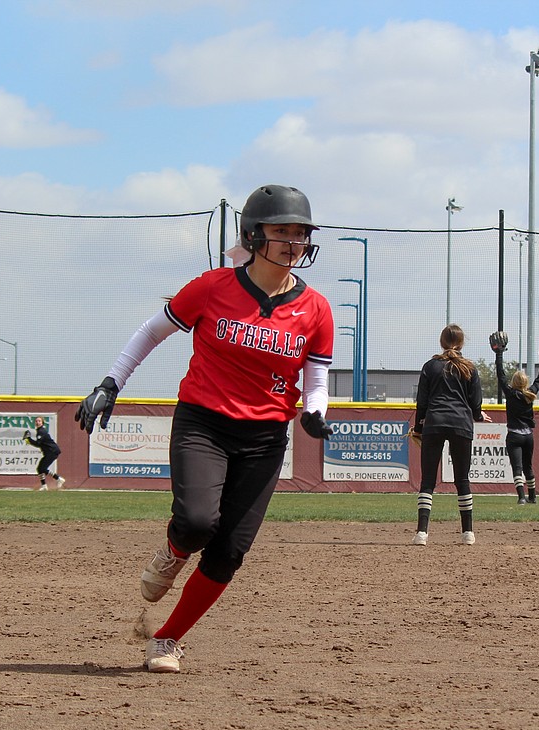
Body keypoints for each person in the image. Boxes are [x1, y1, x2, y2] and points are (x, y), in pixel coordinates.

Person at [75, 184, 335, 673]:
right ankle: (173, 551)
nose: (292, 241)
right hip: (205, 423)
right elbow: (152, 331)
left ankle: (166, 639)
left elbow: (315, 375)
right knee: (197, 524)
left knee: (229, 551)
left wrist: (316, 410)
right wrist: (111, 382)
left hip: (264, 439)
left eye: (300, 233)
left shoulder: (316, 308)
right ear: (254, 235)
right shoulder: (214, 286)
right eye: (281, 231)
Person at [409, 325, 490, 546]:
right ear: (462, 343)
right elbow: (475, 404)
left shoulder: (430, 366)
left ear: (441, 342)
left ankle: (422, 534)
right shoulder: (469, 368)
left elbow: (422, 402)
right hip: (461, 424)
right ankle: (468, 533)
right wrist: (478, 415)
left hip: (434, 422)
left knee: (427, 480)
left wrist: (418, 428)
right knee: (462, 479)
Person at [491, 332, 539, 505]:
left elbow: (500, 375)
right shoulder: (530, 394)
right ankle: (533, 496)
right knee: (528, 466)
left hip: (514, 435)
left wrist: (499, 354)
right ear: (525, 383)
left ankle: (521, 497)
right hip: (528, 436)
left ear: (514, 382)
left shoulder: (510, 394)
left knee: (517, 467)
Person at [23, 416, 64, 491]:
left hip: (52, 451)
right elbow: (39, 444)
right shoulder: (39, 431)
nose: (37, 422)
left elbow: (38, 443)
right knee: (40, 469)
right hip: (50, 452)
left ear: (42, 423)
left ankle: (57, 479)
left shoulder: (41, 431)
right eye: (36, 421)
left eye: (39, 421)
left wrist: (29, 439)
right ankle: (47, 485)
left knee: (42, 468)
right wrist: (29, 440)